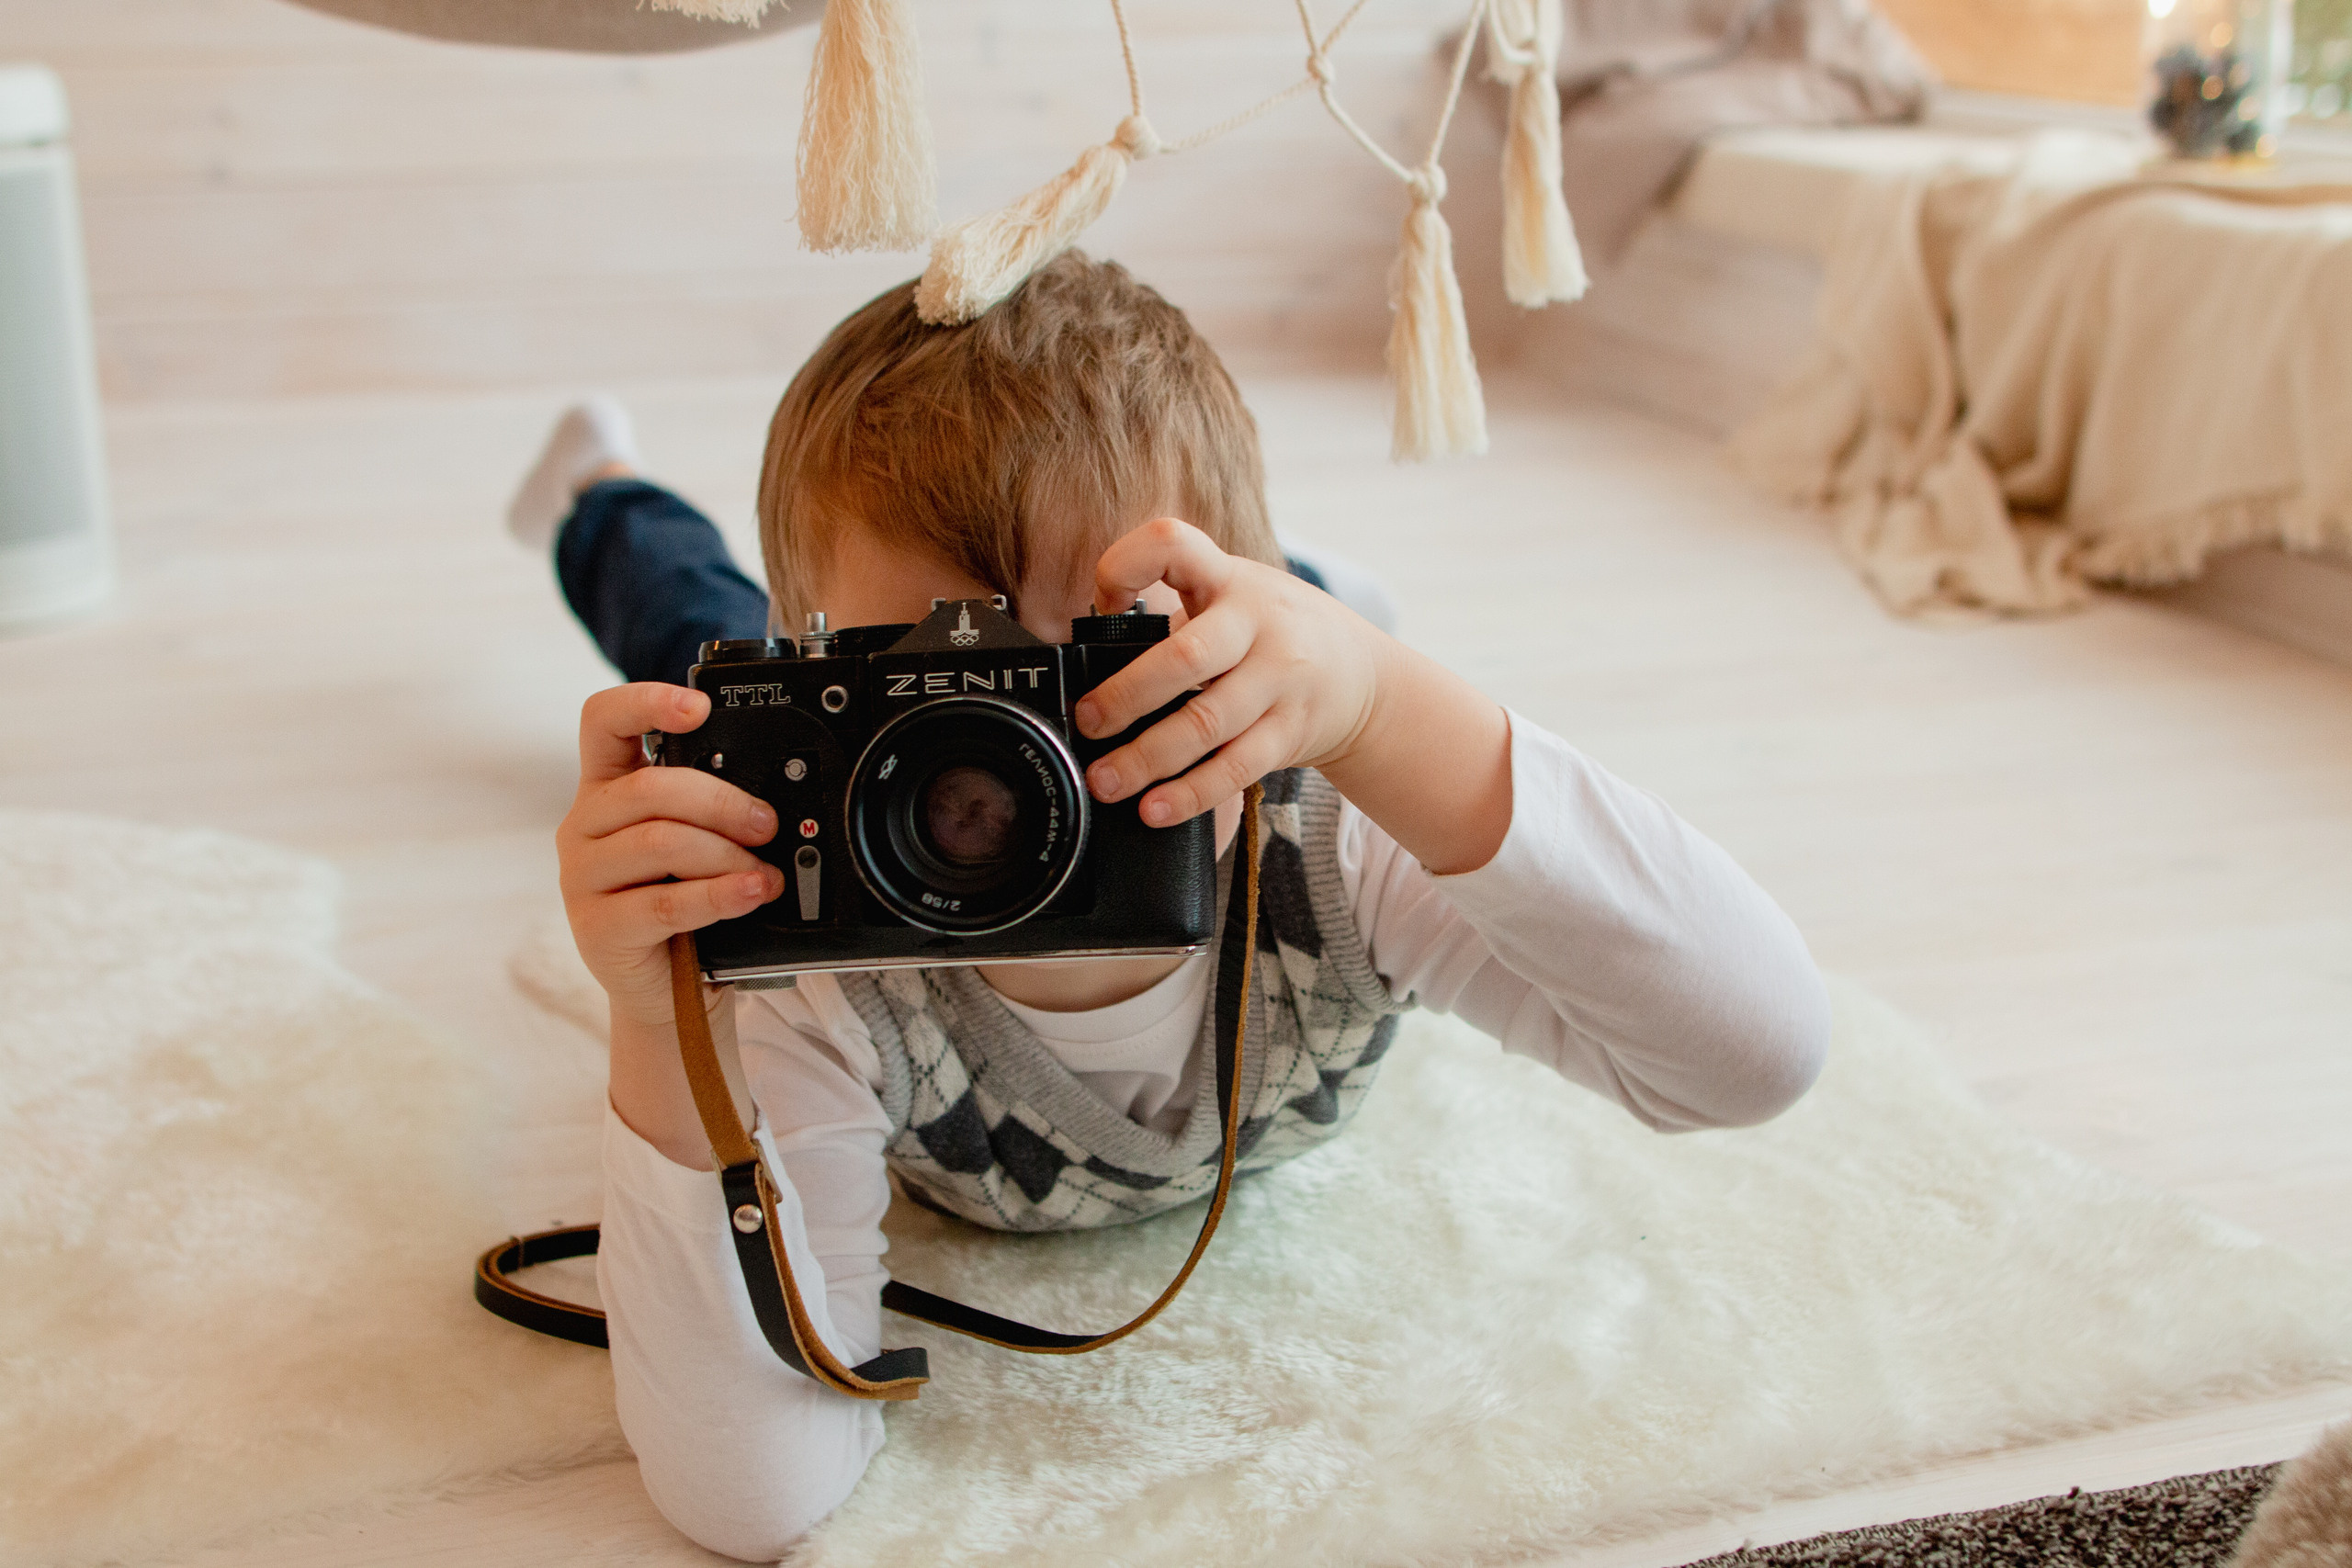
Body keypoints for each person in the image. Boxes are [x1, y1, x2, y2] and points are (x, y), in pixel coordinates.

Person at [515, 253, 1831, 1561]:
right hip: (839, 763)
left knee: (1272, 669)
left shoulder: (1335, 839)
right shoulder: (822, 968)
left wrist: (1380, 699)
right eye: (920, 694)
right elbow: (750, 1494)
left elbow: (1752, 1057)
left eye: (1096, 674)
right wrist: (658, 1029)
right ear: (821, 671)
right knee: (691, 633)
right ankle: (601, 496)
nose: (996, 776)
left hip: (1265, 679)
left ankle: (1304, 607)